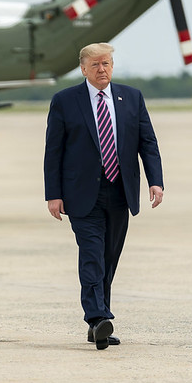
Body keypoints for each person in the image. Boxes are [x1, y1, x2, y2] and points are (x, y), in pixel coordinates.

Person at [44, 42, 164, 350]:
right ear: (83, 68)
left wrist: (155, 181)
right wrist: (53, 194)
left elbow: (147, 142)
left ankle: (99, 324)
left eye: (107, 64)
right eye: (96, 65)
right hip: (82, 193)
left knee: (109, 258)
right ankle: (97, 317)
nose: (102, 69)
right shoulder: (65, 101)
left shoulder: (131, 98)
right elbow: (53, 152)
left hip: (120, 190)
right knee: (92, 256)